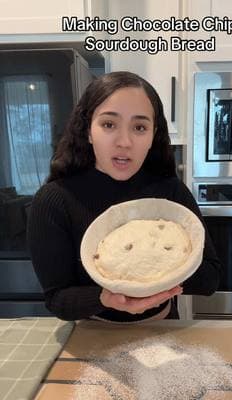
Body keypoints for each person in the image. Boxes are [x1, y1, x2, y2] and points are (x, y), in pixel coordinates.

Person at [27, 71, 221, 322]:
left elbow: (210, 279)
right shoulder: (54, 201)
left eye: (139, 127)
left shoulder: (171, 193)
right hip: (92, 333)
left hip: (163, 329)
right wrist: (104, 298)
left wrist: (160, 263)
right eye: (109, 124)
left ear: (153, 136)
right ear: (88, 130)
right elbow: (57, 299)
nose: (124, 141)